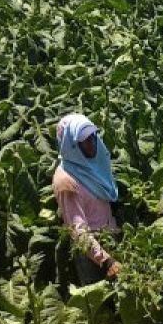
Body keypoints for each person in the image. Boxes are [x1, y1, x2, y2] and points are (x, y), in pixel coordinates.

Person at [53, 113, 121, 286]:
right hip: (92, 253)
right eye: (84, 141)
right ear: (72, 145)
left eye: (92, 137)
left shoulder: (91, 165)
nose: (92, 144)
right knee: (101, 304)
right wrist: (106, 261)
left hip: (110, 239)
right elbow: (79, 232)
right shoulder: (66, 181)